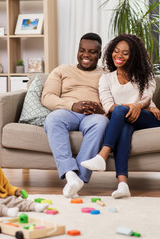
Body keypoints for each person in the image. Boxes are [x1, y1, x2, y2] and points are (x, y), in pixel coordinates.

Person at [81, 34, 160, 198]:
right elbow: (108, 105)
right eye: (116, 51)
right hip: (123, 120)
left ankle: (102, 155)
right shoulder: (106, 78)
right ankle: (123, 184)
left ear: (134, 56)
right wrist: (131, 107)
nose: (119, 56)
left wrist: (138, 106)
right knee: (123, 127)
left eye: (125, 53)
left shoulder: (145, 75)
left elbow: (147, 98)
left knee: (119, 111)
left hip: (147, 118)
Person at [41, 32, 109, 198]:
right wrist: (73, 105)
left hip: (94, 115)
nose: (86, 55)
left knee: (101, 123)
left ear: (99, 55)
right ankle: (70, 174)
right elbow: (47, 97)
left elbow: (115, 101)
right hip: (68, 112)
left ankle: (77, 180)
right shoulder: (62, 70)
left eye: (92, 52)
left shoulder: (107, 74)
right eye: (82, 50)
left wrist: (102, 110)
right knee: (53, 119)